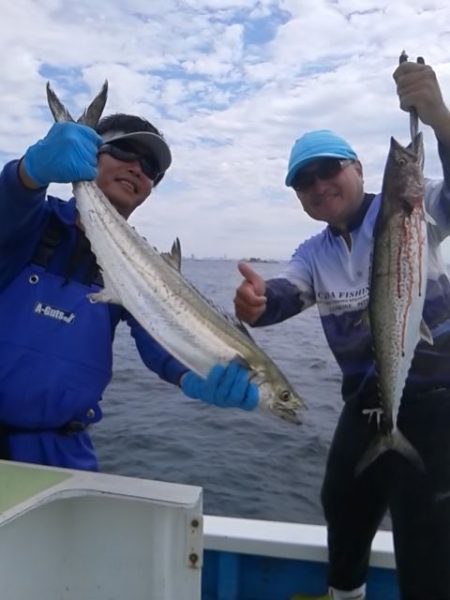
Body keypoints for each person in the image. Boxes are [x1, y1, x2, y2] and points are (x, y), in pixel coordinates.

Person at [234, 58, 450, 600]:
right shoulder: (314, 253)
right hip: (365, 404)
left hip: (440, 403)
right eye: (304, 181)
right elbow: (285, 293)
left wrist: (441, 120)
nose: (318, 185)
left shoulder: (414, 205)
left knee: (425, 535)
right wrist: (256, 304)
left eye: (328, 169)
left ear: (357, 167)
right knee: (342, 504)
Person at [0, 107, 258, 471]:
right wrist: (29, 172)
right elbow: (9, 205)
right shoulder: (32, 221)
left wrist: (195, 372)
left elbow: (162, 335)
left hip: (63, 453)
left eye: (150, 168)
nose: (137, 168)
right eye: (122, 152)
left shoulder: (144, 267)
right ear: (90, 154)